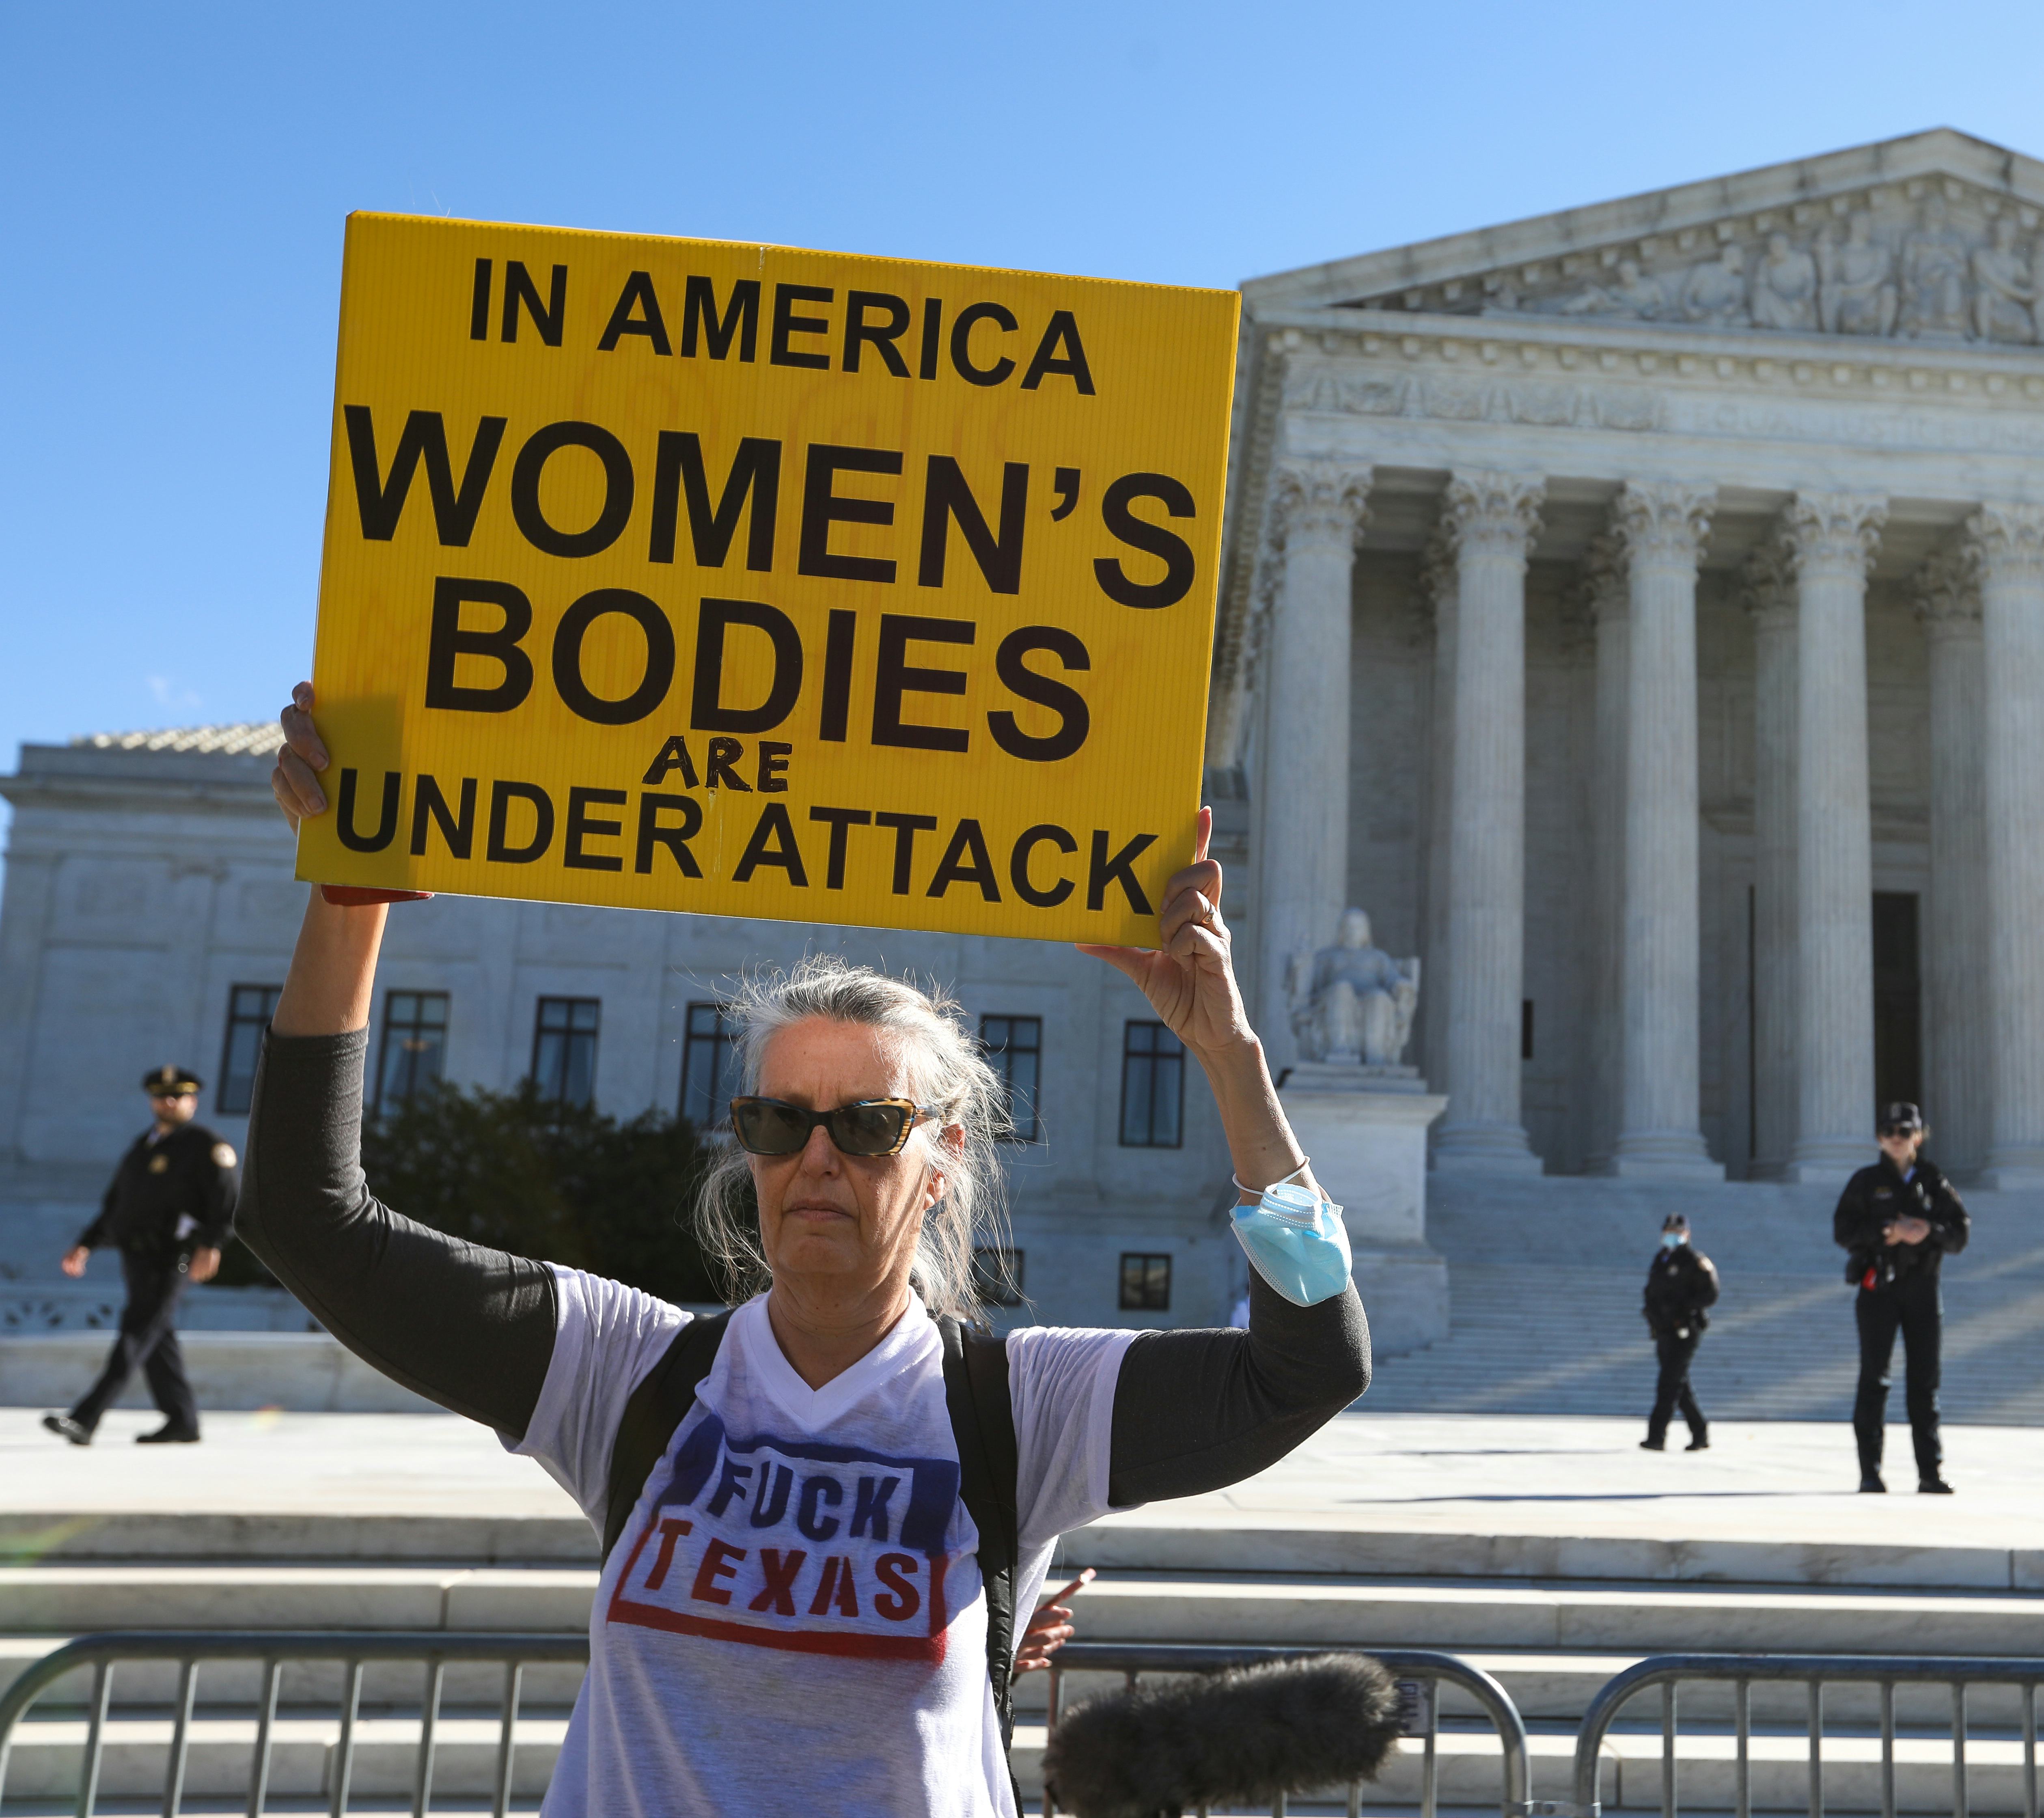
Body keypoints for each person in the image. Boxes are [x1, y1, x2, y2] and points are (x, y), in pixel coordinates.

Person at [248, 683, 1371, 1816]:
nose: (818, 1158)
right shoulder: (624, 1373)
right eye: (781, 1121)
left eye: (870, 1125)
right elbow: (309, 1222)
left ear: (941, 1162)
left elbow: (1308, 1364)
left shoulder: (1026, 1408)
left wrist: (1228, 1053)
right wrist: (347, 903)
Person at [43, 1064, 237, 1445]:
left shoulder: (206, 1147)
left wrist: (211, 1245)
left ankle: (86, 1418)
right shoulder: (140, 1148)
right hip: (136, 1257)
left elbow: (227, 1203)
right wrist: (86, 1244)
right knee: (155, 1336)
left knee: (135, 1333)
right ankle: (183, 1420)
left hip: (173, 1258)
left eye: (177, 1096)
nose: (168, 1102)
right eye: (161, 1096)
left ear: (192, 1102)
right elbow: (118, 1205)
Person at [1832, 1103, 1968, 1494]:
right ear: (1879, 1138)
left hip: (1922, 1287)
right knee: (1874, 1378)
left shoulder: (1934, 1181)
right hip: (1879, 1286)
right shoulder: (1865, 1181)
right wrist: (1886, 1231)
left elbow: (1960, 1234)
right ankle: (1870, 1472)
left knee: (1925, 1382)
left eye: (1905, 1133)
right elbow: (1844, 1231)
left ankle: (1930, 1473)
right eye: (1889, 1132)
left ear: (1918, 1138)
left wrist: (1927, 1231)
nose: (1897, 1139)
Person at [1639, 1214, 1717, 1452]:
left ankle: (1656, 1436)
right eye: (1669, 1231)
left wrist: (1685, 1308)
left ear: (1687, 1234)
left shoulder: (1695, 1261)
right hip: (1663, 1329)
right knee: (1678, 1384)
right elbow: (1651, 1291)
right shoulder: (1661, 1259)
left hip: (1686, 1329)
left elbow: (1711, 1293)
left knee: (1668, 1382)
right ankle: (1700, 1432)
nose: (1672, 1235)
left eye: (1678, 1232)